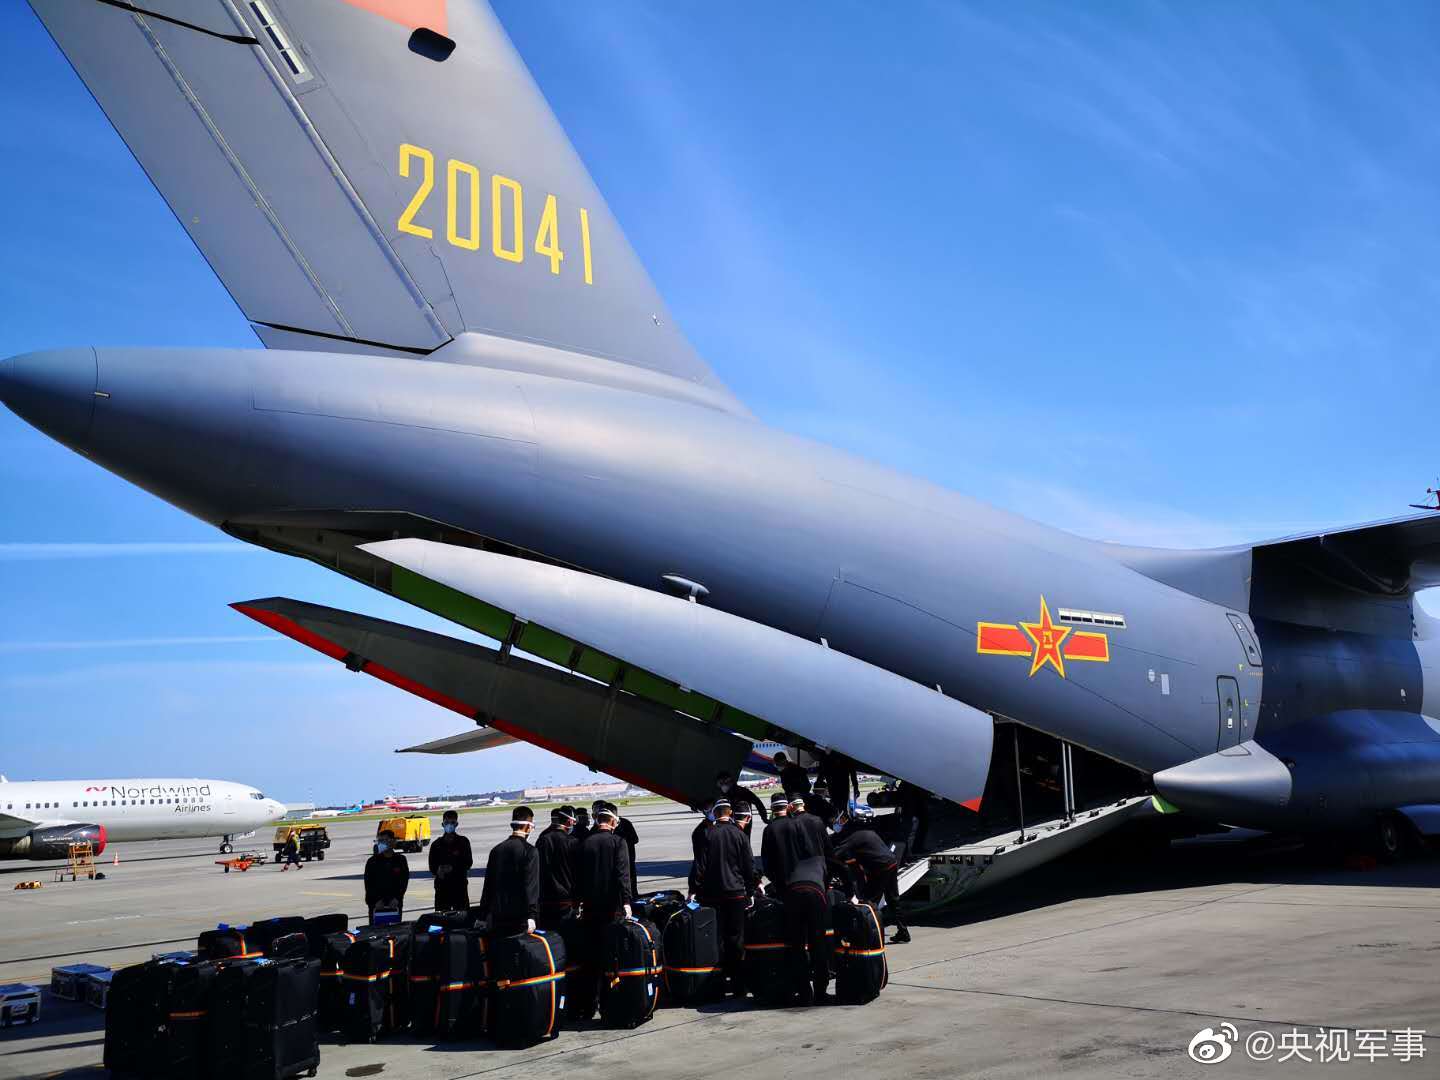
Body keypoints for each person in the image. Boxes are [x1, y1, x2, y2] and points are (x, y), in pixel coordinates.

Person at [688, 800, 758, 996]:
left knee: (716, 938)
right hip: (735, 893)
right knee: (736, 938)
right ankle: (738, 984)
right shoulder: (739, 834)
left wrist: (694, 889)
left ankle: (718, 981)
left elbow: (699, 867)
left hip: (711, 894)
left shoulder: (707, 833)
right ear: (730, 813)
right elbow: (748, 866)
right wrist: (751, 891)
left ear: (715, 814)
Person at [577, 805, 633, 1018]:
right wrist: (626, 901)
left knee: (592, 958)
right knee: (613, 957)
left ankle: (590, 1005)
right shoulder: (618, 842)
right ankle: (612, 1003)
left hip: (591, 909)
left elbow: (579, 878)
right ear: (611, 822)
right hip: (613, 909)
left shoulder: (586, 843)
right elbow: (622, 875)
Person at [783, 851, 851, 1006]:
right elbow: (845, 870)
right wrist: (850, 895)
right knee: (818, 945)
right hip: (814, 893)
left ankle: (804, 994)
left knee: (797, 947)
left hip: (792, 894)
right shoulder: (825, 860)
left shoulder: (799, 864)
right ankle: (820, 993)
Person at [835, 803, 909, 943]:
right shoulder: (868, 831)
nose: (842, 822)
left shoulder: (853, 836)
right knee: (893, 900)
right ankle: (903, 932)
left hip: (881, 869)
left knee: (869, 903)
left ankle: (872, 936)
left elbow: (836, 854)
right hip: (891, 863)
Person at [478, 806, 540, 937]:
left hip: (497, 916)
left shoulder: (496, 850)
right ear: (528, 827)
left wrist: (483, 915)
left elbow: (488, 886)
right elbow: (530, 886)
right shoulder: (530, 851)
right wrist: (531, 915)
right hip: (518, 919)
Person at [536, 805, 580, 929]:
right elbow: (577, 873)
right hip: (566, 899)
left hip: (546, 899)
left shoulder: (542, 840)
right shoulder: (572, 842)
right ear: (570, 821)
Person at [428, 809, 473, 912]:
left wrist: (452, 868)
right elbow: (432, 866)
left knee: (462, 916)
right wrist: (438, 869)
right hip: (442, 888)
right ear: (442, 824)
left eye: (452, 823)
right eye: (447, 822)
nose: (449, 825)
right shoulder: (436, 844)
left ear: (456, 824)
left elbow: (468, 862)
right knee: (441, 918)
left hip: (459, 887)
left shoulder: (463, 842)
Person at [596, 800, 639, 900]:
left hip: (627, 859)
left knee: (630, 883)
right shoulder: (600, 828)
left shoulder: (625, 823)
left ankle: (632, 899)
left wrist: (621, 840)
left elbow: (635, 839)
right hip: (616, 861)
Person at [363, 829, 410, 922]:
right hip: (376, 903)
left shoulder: (400, 860)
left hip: (394, 902)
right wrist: (376, 900)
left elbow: (403, 881)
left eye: (384, 840)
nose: (380, 843)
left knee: (394, 930)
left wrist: (397, 898)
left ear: (392, 841)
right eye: (379, 841)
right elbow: (369, 884)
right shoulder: (372, 861)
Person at [760, 792, 796, 889]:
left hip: (779, 878)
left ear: (772, 808)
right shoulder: (797, 824)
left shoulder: (768, 829)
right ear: (787, 806)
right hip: (799, 876)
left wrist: (770, 876)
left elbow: (765, 856)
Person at [897, 781, 931, 855]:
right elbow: (901, 792)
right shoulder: (906, 781)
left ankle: (917, 848)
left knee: (923, 825)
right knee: (907, 829)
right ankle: (904, 853)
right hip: (909, 804)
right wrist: (900, 805)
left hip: (919, 802)